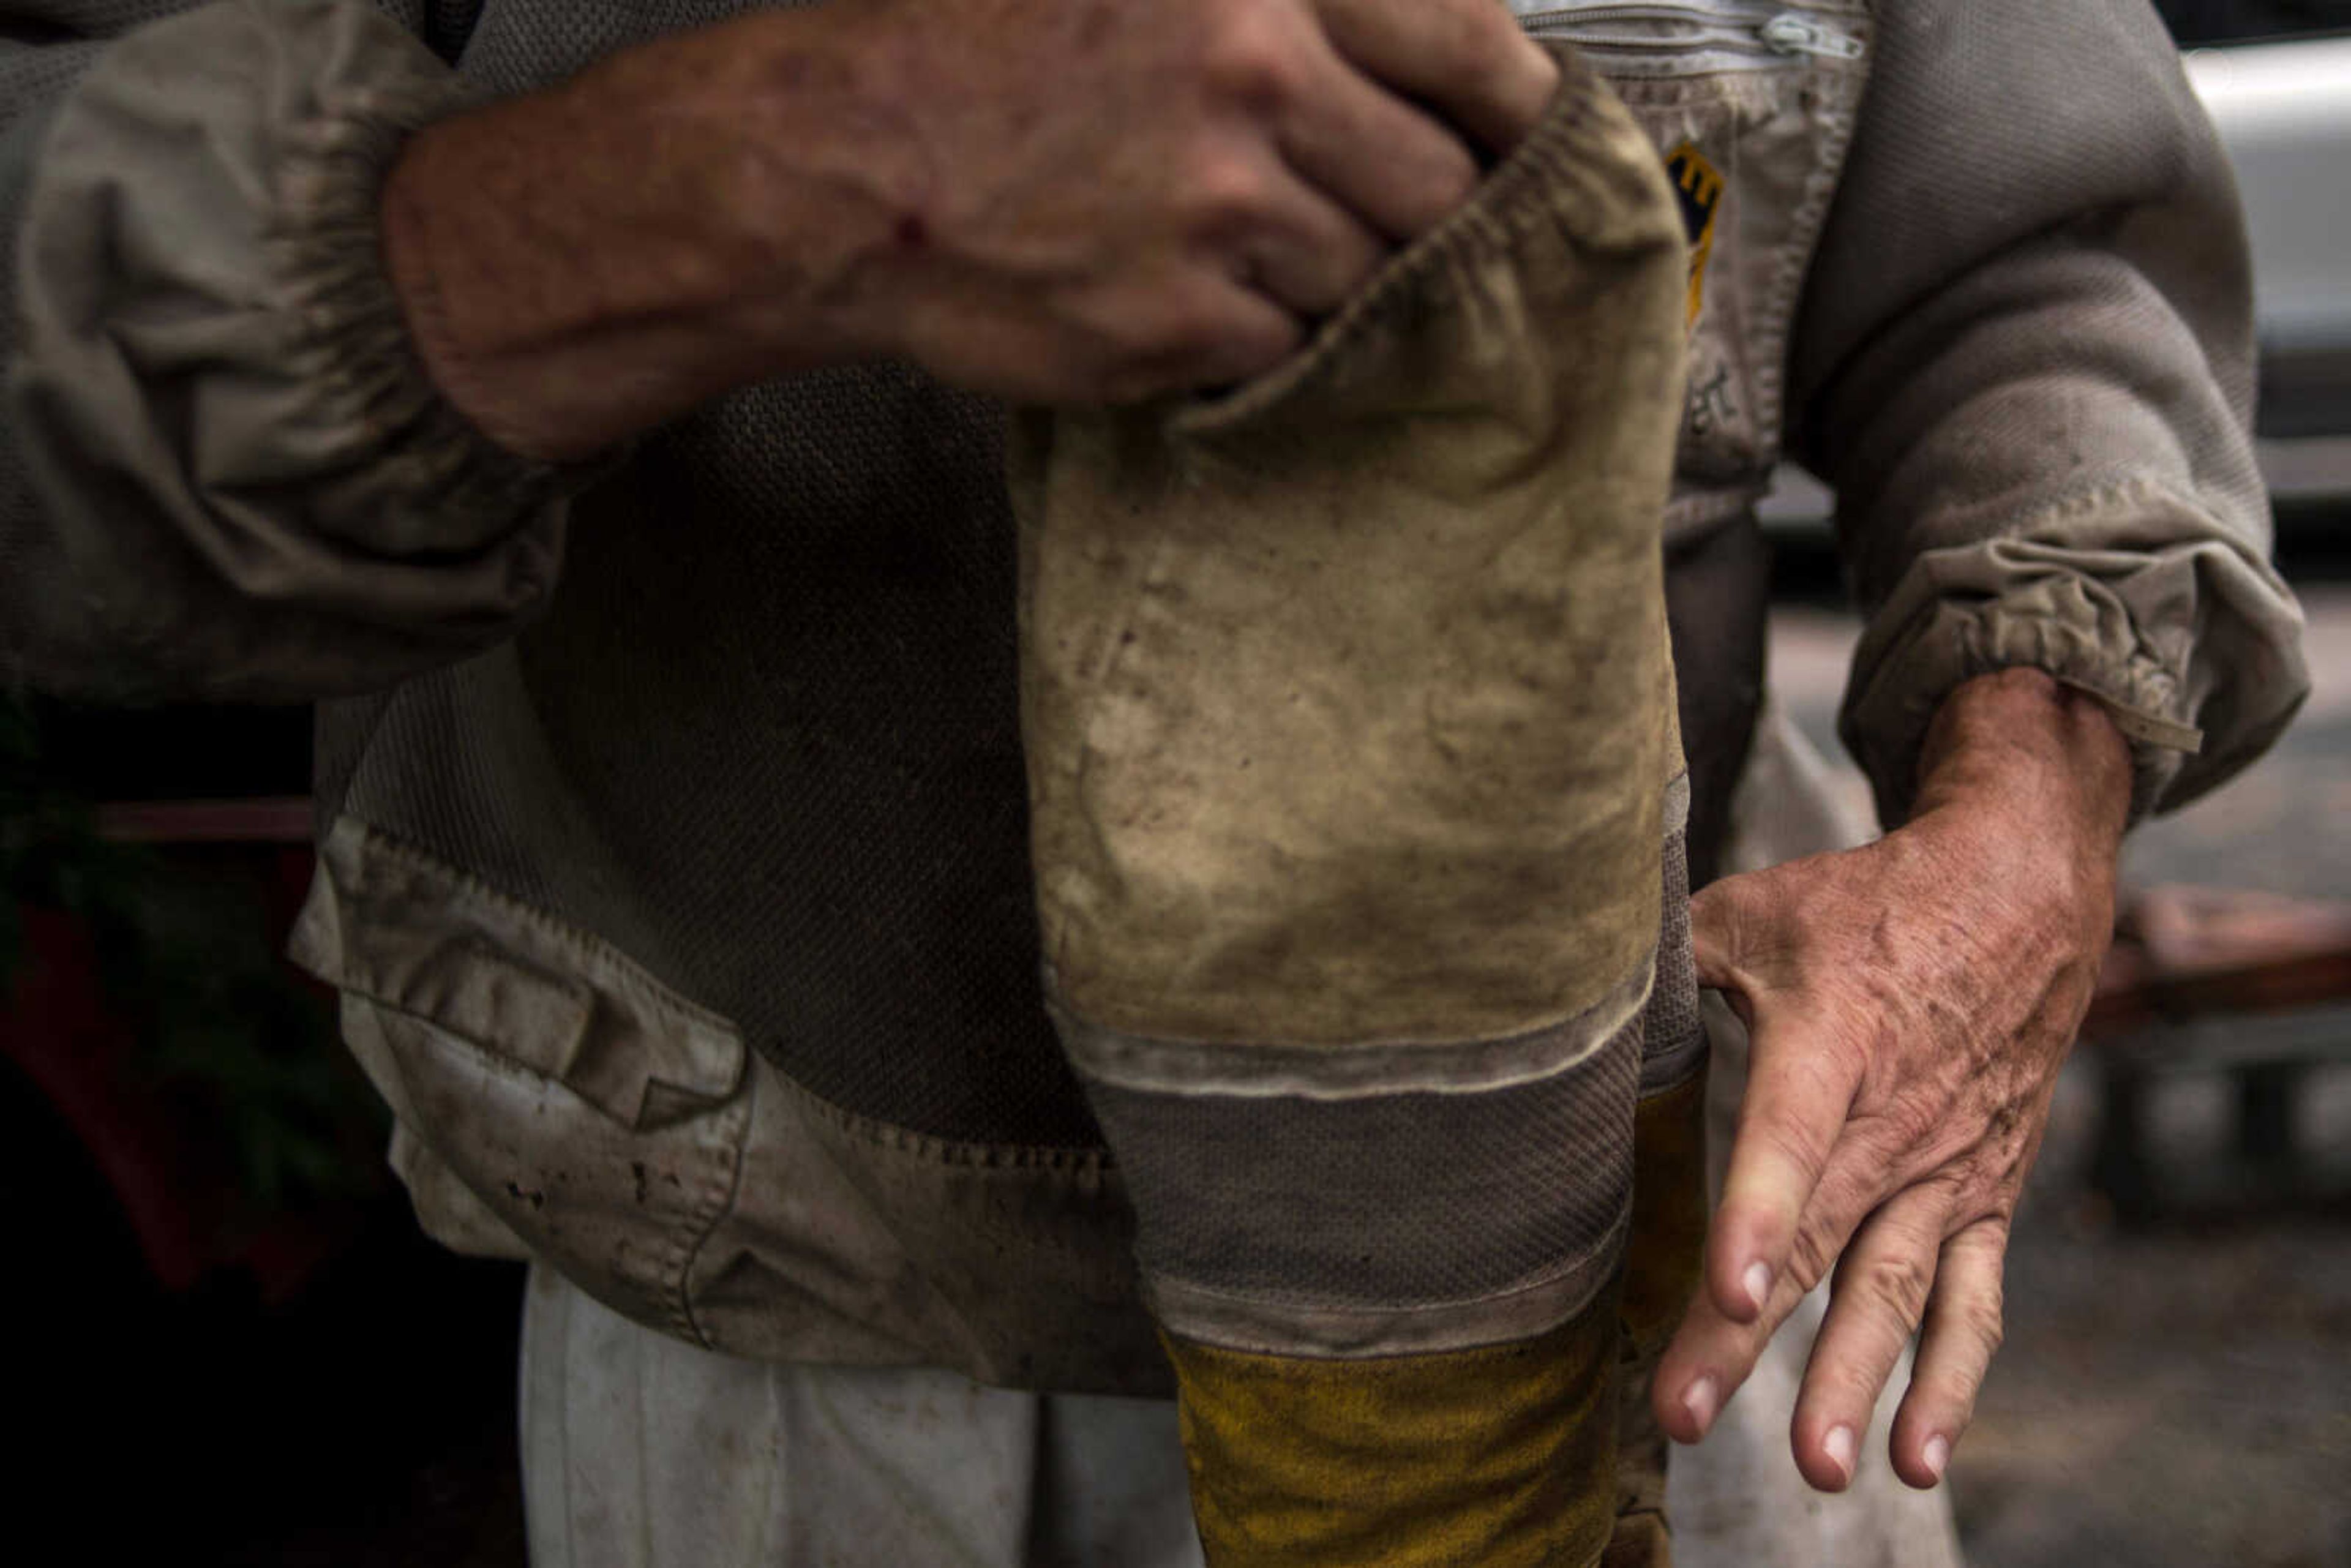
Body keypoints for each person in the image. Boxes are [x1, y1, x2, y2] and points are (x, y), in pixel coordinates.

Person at [0, 0, 2308, 1564]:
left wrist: (2029, 805)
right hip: (814, 1354)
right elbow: (64, 305)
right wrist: (777, 163)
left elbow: (2037, 272)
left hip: (1684, 1288)